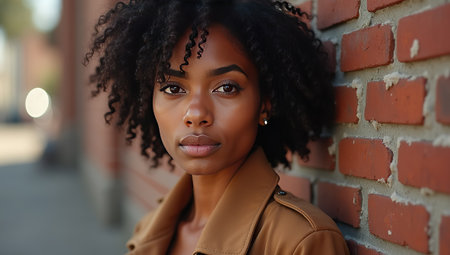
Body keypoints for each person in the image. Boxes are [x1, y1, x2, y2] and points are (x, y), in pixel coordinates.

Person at [85, 0, 350, 254]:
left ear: (264, 105)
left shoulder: (299, 242)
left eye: (226, 87)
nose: (196, 114)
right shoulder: (147, 230)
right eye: (173, 88)